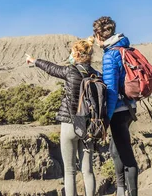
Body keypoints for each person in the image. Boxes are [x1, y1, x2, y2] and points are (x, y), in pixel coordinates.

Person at [26, 40, 98, 196]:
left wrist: (34, 60)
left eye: (72, 52)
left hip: (70, 125)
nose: (70, 55)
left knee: (70, 170)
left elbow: (51, 68)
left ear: (77, 54)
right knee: (88, 171)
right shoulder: (96, 74)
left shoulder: (71, 71)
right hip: (89, 128)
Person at [92, 16, 139, 196]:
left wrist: (106, 118)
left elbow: (111, 91)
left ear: (99, 36)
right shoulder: (123, 47)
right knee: (115, 149)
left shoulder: (111, 54)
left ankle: (130, 193)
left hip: (118, 110)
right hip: (129, 107)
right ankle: (121, 190)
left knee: (127, 156)